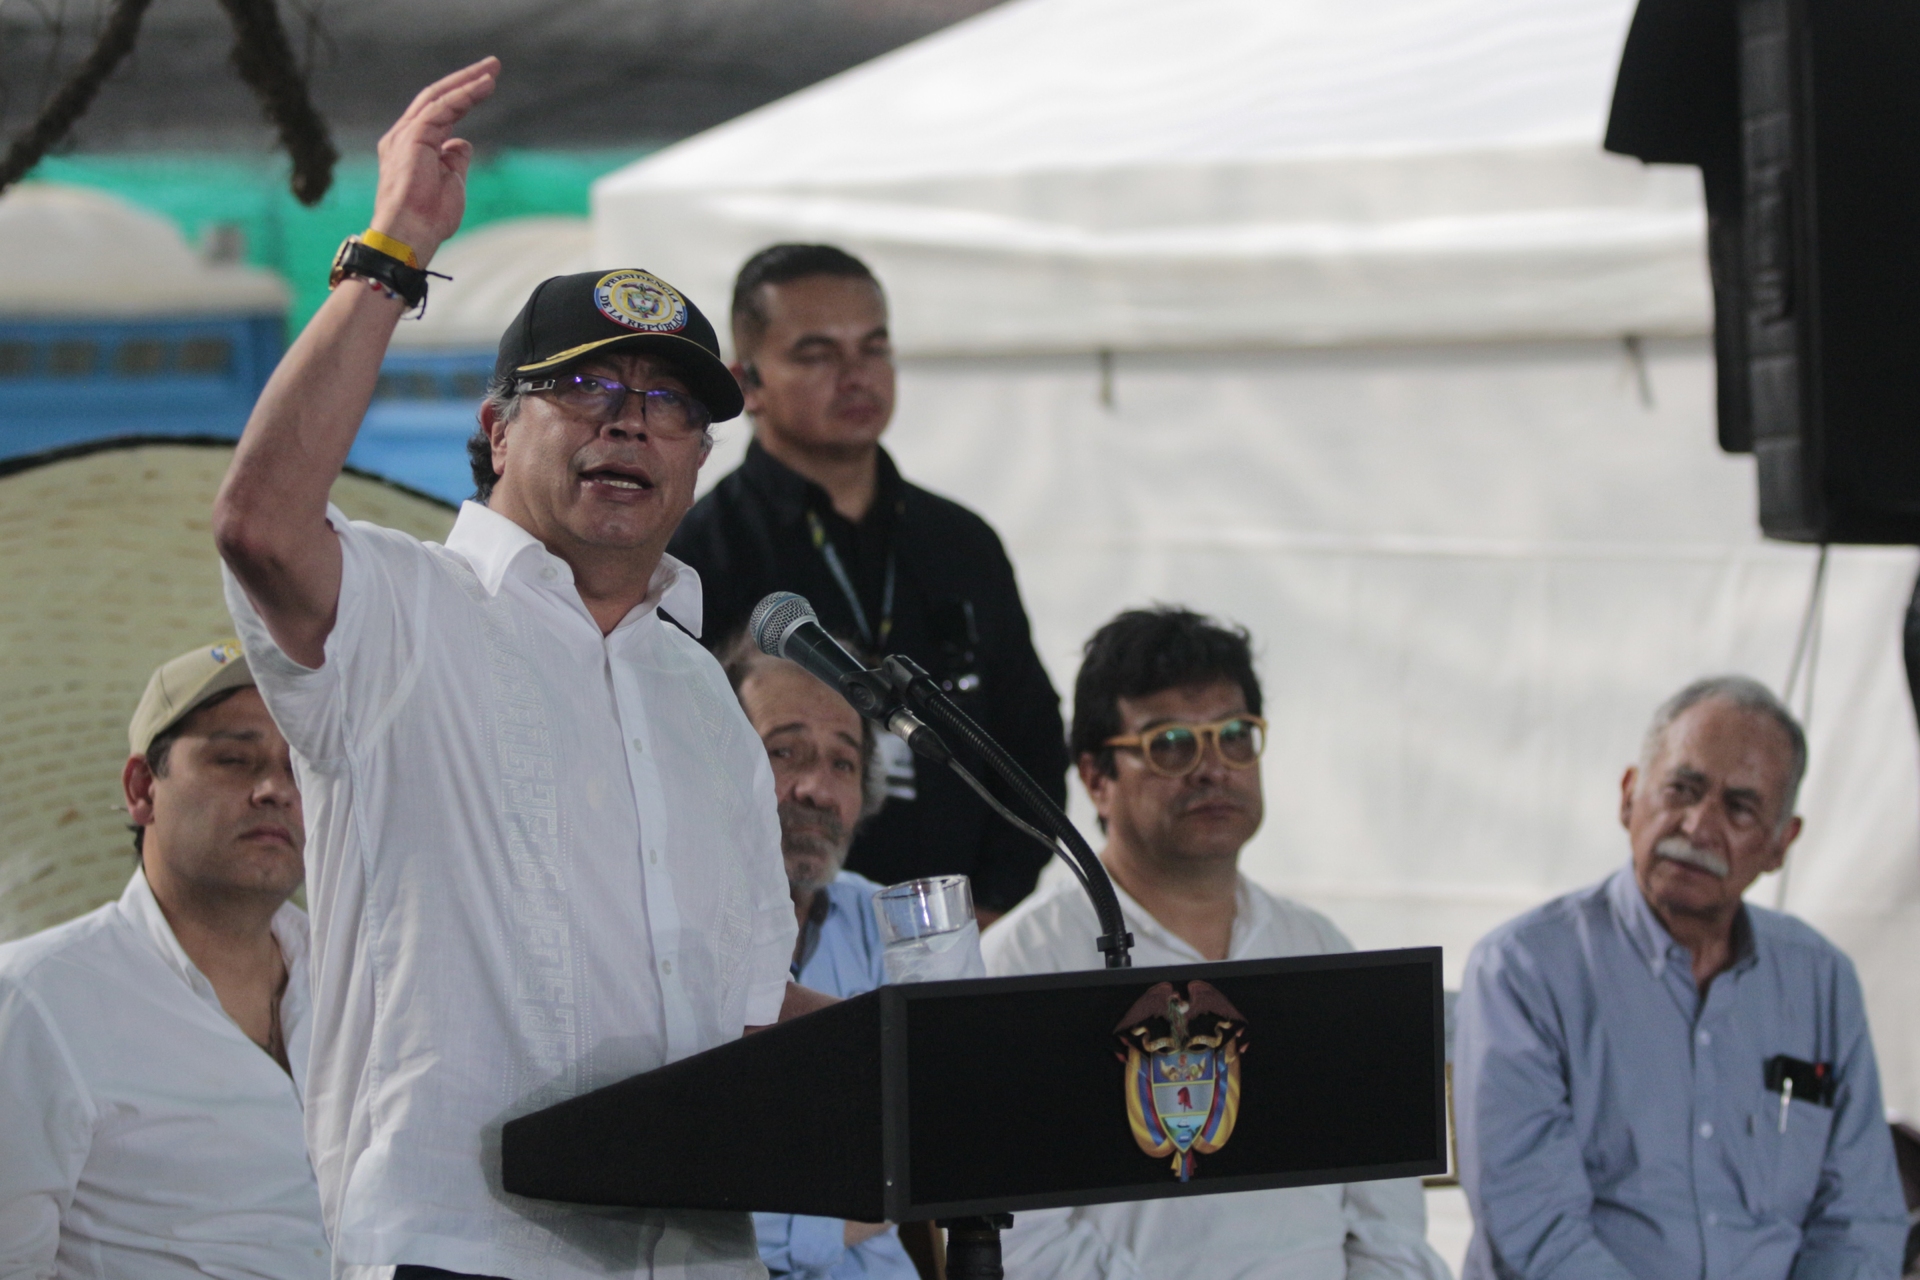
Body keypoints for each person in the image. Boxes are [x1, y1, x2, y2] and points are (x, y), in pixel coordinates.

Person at [212, 59, 809, 1279]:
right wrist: (391, 253)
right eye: (585, 385)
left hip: (693, 1255)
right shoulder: (404, 610)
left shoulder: (703, 696)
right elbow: (261, 527)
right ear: (495, 430)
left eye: (670, 404)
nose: (629, 420)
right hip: (462, 1248)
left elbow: (745, 1009)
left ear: (699, 458)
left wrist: (943, 1056)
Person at [981, 607, 1451, 1280]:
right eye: (1170, 743)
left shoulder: (1320, 951)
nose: (1212, 769)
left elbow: (1391, 1226)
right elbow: (1022, 1246)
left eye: (1235, 737)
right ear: (1095, 779)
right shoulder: (1025, 963)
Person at [1454, 675, 1907, 1280]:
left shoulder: (1821, 982)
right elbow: (1535, 1230)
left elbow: (1860, 1221)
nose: (1698, 826)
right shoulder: (1524, 970)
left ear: (1781, 843)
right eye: (1682, 790)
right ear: (1628, 796)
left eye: (1739, 807)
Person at [667, 243, 1066, 923]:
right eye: (817, 354)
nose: (856, 376)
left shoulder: (961, 543)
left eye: (874, 348)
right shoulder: (696, 555)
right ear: (746, 384)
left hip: (958, 932)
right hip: (769, 939)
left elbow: (1032, 750)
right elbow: (673, 772)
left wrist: (990, 909)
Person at [0, 641, 328, 1277]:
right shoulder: (37, 1001)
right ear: (142, 789)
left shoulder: (362, 980)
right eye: (234, 760)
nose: (274, 791)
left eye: (300, 769)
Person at [722, 640, 918, 1280]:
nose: (817, 791)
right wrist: (830, 1226)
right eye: (784, 752)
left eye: (842, 763)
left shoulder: (889, 922)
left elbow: (945, 1132)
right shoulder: (665, 929)